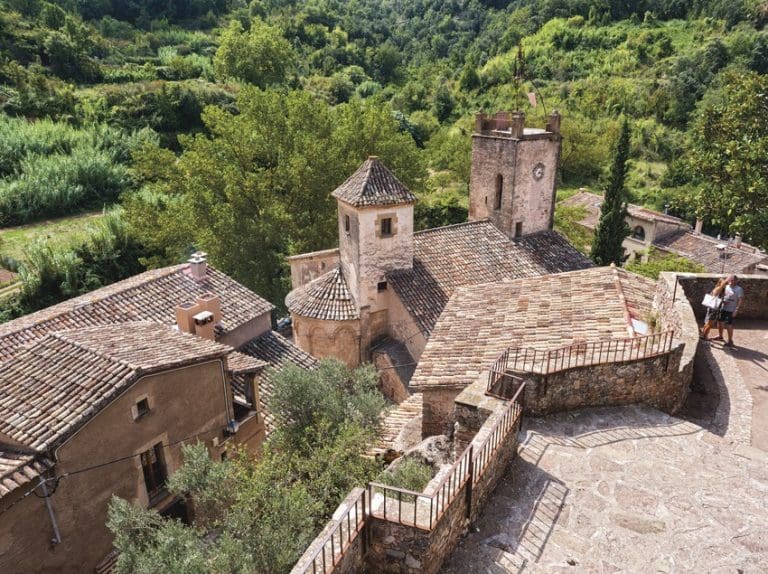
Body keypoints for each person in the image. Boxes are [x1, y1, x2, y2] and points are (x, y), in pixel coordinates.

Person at [717, 274, 745, 348]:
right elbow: (723, 296)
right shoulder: (726, 286)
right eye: (731, 280)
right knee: (720, 322)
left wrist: (736, 310)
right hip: (723, 308)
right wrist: (723, 301)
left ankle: (730, 341)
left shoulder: (739, 289)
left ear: (737, 281)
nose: (732, 282)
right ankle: (720, 336)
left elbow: (740, 300)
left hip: (731, 309)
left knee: (729, 325)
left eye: (734, 280)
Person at [701, 277, 727, 341]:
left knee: (708, 323)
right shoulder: (718, 289)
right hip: (714, 309)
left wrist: (723, 301)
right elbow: (715, 295)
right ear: (720, 283)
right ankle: (705, 337)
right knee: (710, 324)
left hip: (714, 308)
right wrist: (722, 285)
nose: (725, 285)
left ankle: (703, 335)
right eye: (724, 283)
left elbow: (717, 298)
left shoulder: (721, 290)